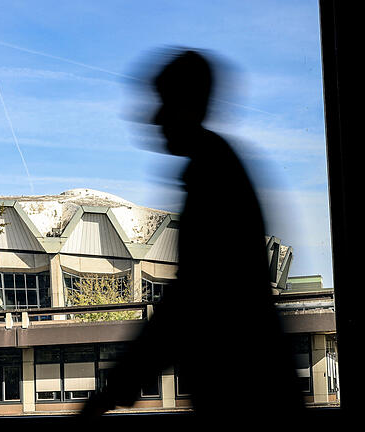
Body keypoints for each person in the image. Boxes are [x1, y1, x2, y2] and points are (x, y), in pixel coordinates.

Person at [79, 49, 304, 425]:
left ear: (189, 104)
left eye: (164, 102)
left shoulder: (211, 175)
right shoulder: (220, 166)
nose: (154, 117)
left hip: (240, 398)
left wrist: (114, 389)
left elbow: (193, 299)